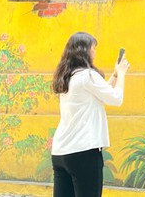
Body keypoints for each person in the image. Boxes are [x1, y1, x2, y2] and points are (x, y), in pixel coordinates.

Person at [51, 32, 129, 197]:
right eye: (93, 48)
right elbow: (116, 98)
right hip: (83, 152)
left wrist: (114, 75)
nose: (94, 52)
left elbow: (100, 94)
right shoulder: (87, 75)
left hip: (60, 153)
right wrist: (122, 74)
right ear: (84, 51)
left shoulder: (67, 77)